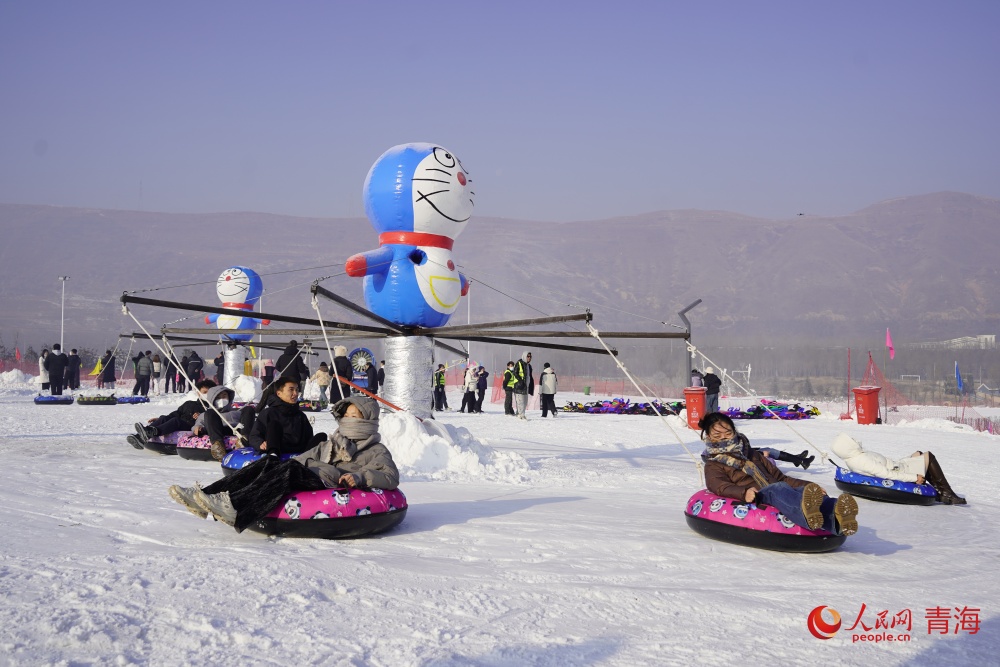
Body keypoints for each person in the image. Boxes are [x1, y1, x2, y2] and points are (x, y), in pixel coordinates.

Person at [167, 395, 399, 532]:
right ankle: (205, 496)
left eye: (354, 416)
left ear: (367, 419)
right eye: (346, 415)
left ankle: (233, 505)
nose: (348, 420)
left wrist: (359, 477)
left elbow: (390, 476)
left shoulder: (375, 449)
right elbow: (308, 455)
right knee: (269, 464)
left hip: (328, 481)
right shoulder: (335, 440)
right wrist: (275, 466)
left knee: (290, 470)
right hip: (310, 471)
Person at [700, 412, 859, 536]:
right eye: (717, 435)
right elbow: (719, 486)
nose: (723, 438)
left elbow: (781, 477)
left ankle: (838, 516)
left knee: (800, 491)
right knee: (777, 489)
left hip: (776, 488)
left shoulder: (753, 454)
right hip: (757, 495)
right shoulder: (714, 463)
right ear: (708, 437)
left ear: (734, 431)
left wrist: (808, 485)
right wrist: (743, 493)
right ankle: (805, 514)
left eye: (727, 433)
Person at [831, 433, 967, 505]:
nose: (856, 440)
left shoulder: (855, 457)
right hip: (900, 471)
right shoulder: (862, 461)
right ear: (847, 447)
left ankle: (939, 491)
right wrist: (914, 477)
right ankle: (947, 494)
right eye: (852, 440)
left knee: (919, 454)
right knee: (928, 457)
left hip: (898, 465)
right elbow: (887, 475)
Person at [247, 375, 321, 456]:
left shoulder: (301, 415)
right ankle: (273, 456)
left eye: (297, 390)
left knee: (321, 436)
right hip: (278, 448)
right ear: (279, 393)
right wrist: (260, 443)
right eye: (291, 390)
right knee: (274, 425)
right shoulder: (268, 413)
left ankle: (311, 458)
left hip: (299, 451)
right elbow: (254, 435)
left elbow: (309, 438)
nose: (295, 393)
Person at [132, 379, 218, 445]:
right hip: (179, 421)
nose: (206, 395)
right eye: (204, 392)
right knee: (165, 418)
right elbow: (176, 413)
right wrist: (160, 419)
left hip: (190, 426)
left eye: (208, 392)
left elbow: (214, 420)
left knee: (175, 421)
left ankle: (152, 432)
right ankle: (140, 437)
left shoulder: (212, 408)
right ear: (198, 393)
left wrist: (202, 416)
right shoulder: (189, 403)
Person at [191, 386, 256, 461]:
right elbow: (198, 424)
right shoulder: (206, 415)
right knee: (210, 413)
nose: (222, 399)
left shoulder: (236, 412)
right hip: (218, 430)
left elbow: (248, 422)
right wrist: (198, 428)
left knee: (249, 409)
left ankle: (243, 442)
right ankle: (218, 446)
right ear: (213, 399)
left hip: (237, 430)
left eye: (224, 396)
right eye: (218, 397)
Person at [512, 351, 534, 420]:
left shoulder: (529, 366)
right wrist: (520, 381)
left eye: (530, 357)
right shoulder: (519, 363)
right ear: (524, 356)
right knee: (520, 401)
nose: (529, 358)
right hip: (519, 386)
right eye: (528, 356)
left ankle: (519, 413)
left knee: (525, 402)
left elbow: (529, 376)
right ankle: (521, 415)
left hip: (526, 386)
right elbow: (515, 373)